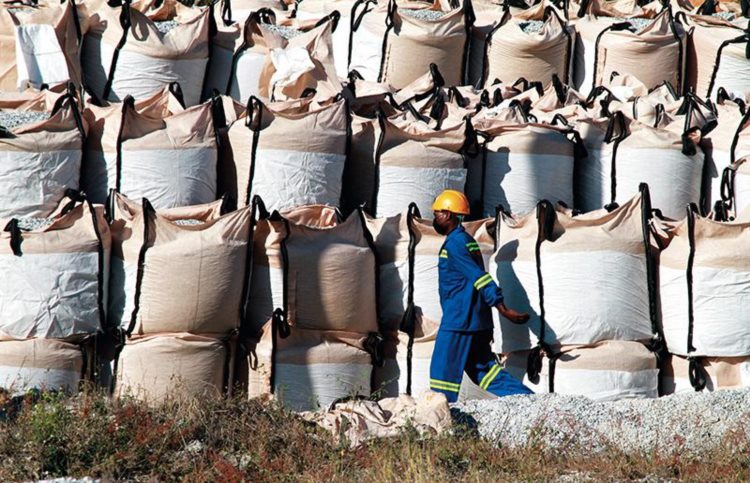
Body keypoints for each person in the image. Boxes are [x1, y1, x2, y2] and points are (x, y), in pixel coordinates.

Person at [429, 189, 533, 402]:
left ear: (448, 214)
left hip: (460, 321)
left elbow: (479, 277)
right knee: (484, 372)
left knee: (442, 376)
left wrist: (502, 307)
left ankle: (441, 421)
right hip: (476, 321)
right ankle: (532, 403)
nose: (435, 218)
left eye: (437, 213)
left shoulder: (456, 243)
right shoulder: (465, 240)